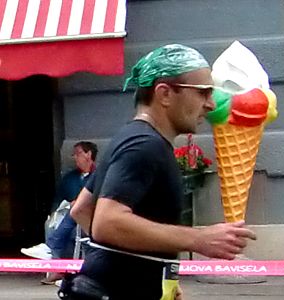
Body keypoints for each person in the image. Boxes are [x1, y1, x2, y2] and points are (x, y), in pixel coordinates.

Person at [69, 44, 257, 300]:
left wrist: (156, 268)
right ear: (165, 94)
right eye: (203, 93)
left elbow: (81, 210)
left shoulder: (129, 137)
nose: (211, 105)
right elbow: (106, 222)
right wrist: (197, 239)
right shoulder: (145, 146)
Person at [21, 141, 97, 284]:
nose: (75, 157)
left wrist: (79, 203)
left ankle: (54, 256)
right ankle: (57, 268)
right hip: (70, 217)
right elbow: (58, 200)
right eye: (73, 154)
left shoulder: (98, 176)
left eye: (78, 153)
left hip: (89, 218)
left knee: (74, 223)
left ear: (88, 154)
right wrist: (54, 213)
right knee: (53, 225)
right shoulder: (69, 178)